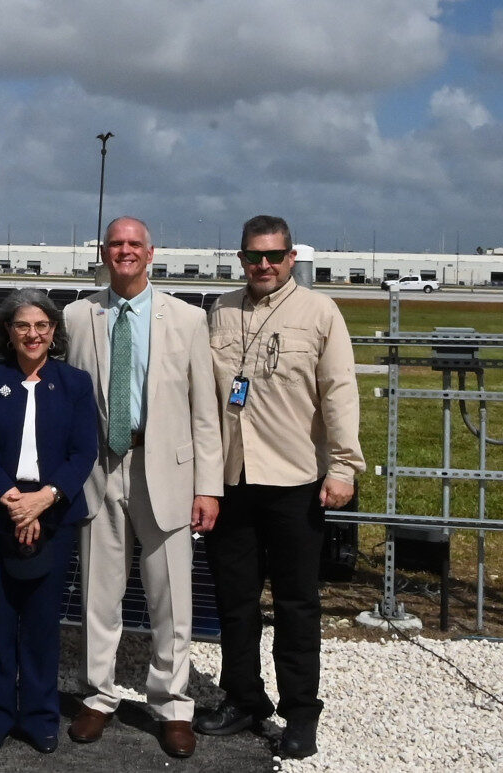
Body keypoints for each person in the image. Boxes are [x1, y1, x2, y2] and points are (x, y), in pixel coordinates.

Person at [196, 215, 363, 761]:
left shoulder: (320, 313)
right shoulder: (219, 312)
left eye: (273, 256)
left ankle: (299, 712)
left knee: (296, 602)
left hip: (295, 479)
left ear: (291, 258)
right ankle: (243, 696)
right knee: (235, 600)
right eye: (252, 256)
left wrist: (343, 467)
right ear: (240, 258)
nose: (262, 265)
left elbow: (339, 390)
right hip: (231, 478)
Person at [63, 217, 223, 758]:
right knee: (98, 593)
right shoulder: (76, 316)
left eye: (134, 244)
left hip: (166, 470)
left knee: (170, 597)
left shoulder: (186, 319)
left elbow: (206, 412)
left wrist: (209, 488)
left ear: (150, 253)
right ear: (103, 253)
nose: (124, 252)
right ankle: (98, 695)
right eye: (116, 244)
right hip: (99, 468)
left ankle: (172, 703)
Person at [0, 288, 98, 753]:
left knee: (41, 622)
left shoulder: (75, 383)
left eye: (42, 326)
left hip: (54, 512)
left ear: (54, 332)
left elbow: (84, 452)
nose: (32, 334)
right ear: (8, 332)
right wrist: (13, 500)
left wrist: (43, 500)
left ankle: (40, 716)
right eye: (23, 326)